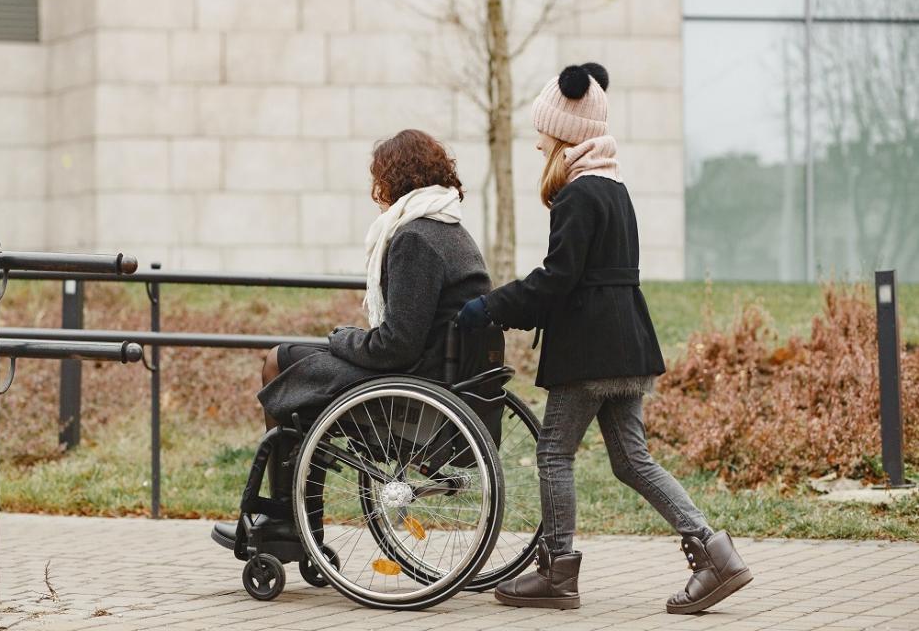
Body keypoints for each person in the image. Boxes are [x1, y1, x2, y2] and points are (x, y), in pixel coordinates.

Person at [456, 63, 752, 614]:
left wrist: (490, 307)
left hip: (590, 348)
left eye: (543, 130)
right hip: (627, 341)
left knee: (553, 453)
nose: (537, 140)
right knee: (632, 460)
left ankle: (556, 573)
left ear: (565, 132)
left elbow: (556, 280)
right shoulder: (614, 189)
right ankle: (715, 554)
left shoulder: (578, 194)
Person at [212, 129, 492, 549]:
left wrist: (343, 339)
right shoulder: (451, 229)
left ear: (393, 178)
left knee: (278, 361)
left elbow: (396, 346)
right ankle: (296, 520)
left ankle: (289, 520)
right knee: (292, 360)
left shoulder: (415, 237)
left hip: (412, 387)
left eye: (378, 178)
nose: (375, 191)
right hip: (437, 377)